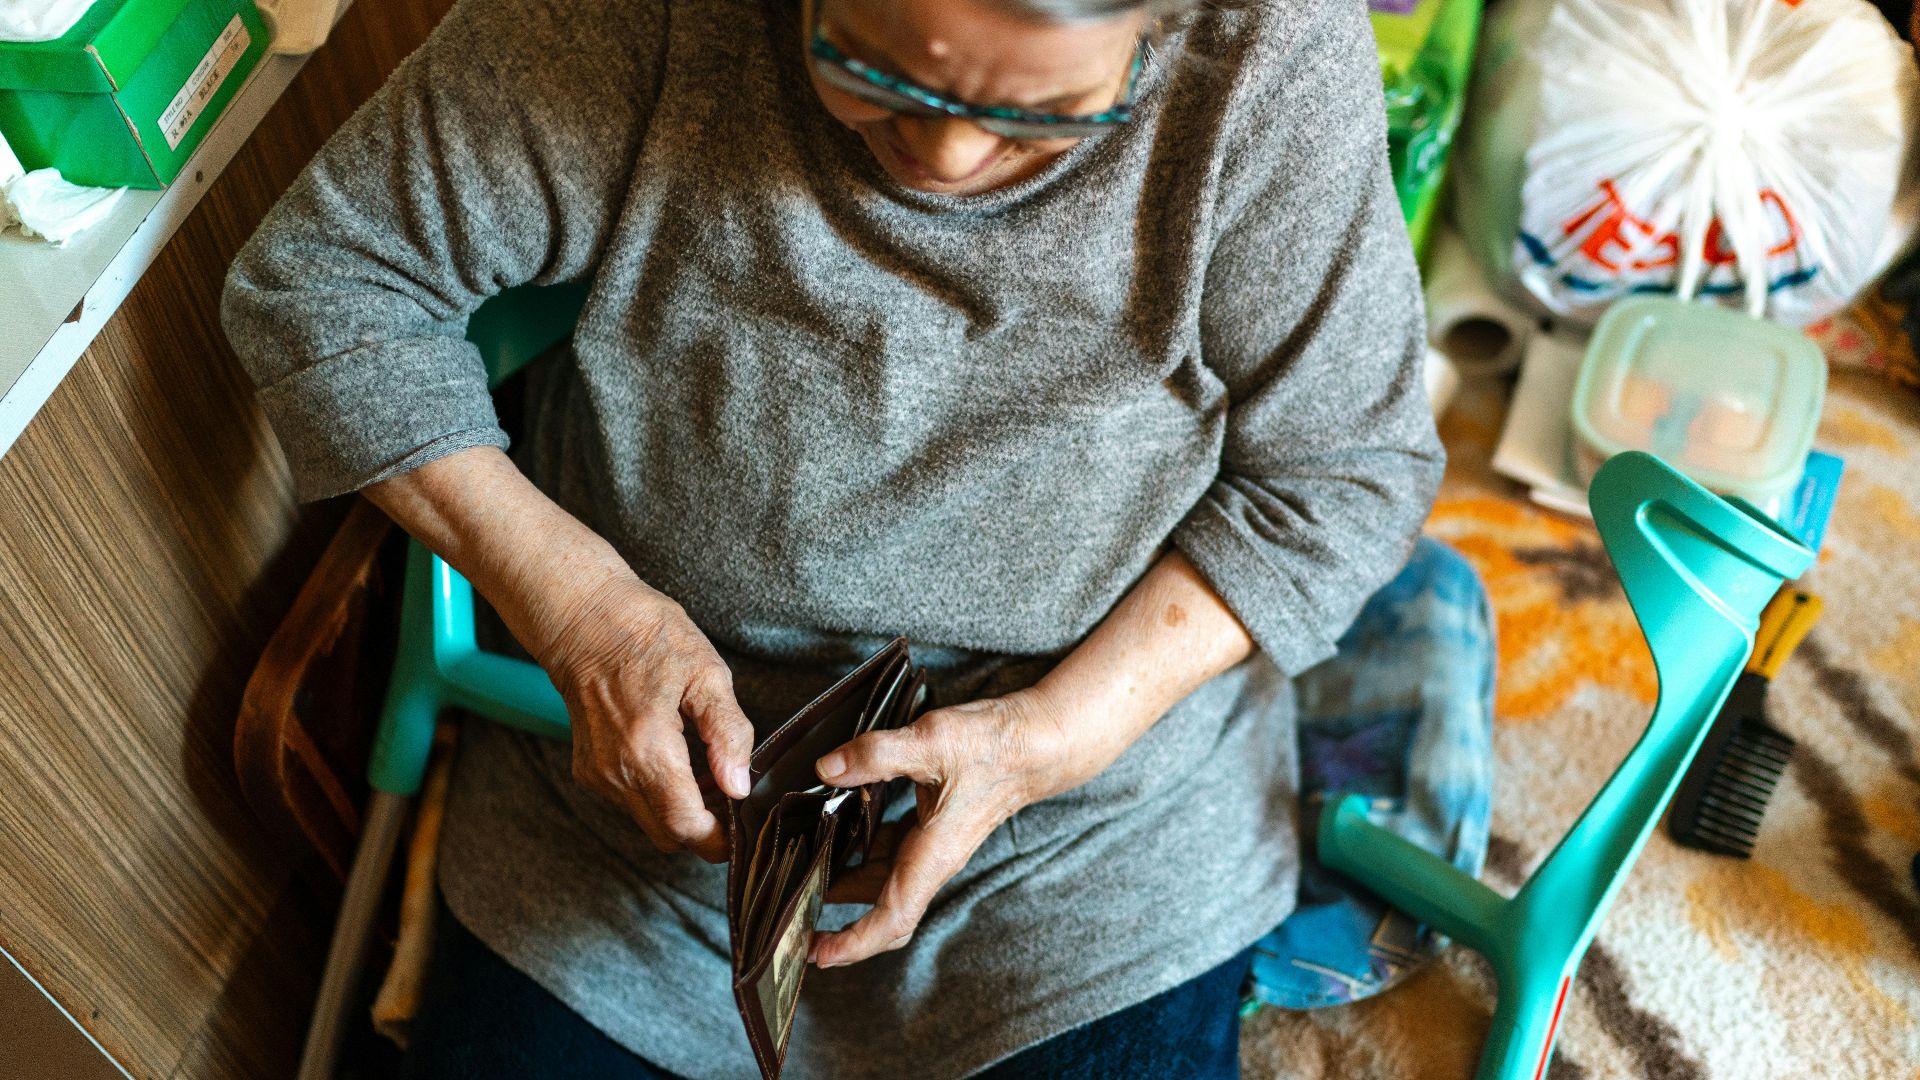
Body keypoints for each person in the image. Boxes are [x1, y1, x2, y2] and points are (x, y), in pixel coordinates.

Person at [221, 0, 1443, 1075]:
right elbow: (326, 283)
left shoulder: (1270, 50)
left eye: (1047, 115)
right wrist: (581, 612)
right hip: (638, 808)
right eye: (874, 67)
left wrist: (1054, 738)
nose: (947, 155)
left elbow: (1350, 471)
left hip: (1081, 842)